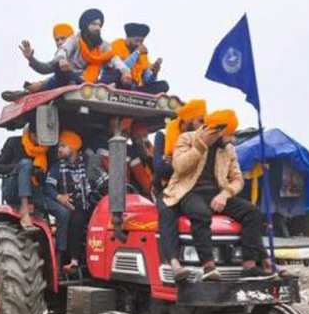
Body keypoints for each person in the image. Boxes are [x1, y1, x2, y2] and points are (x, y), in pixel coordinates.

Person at [162, 110, 265, 281]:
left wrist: (225, 194)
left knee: (252, 212)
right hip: (188, 191)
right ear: (218, 132)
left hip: (217, 193)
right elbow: (179, 167)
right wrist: (201, 145)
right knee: (201, 214)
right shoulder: (187, 138)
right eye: (230, 134)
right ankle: (208, 265)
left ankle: (249, 265)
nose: (232, 139)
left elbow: (238, 179)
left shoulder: (228, 148)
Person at [153, 99, 207, 281]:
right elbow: (160, 169)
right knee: (167, 212)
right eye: (199, 121)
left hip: (192, 189)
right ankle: (175, 263)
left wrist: (174, 163)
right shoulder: (163, 135)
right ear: (188, 120)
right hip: (169, 187)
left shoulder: (201, 138)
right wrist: (184, 164)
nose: (202, 125)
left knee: (201, 212)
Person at [45, 131, 107, 273]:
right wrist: (59, 197)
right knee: (76, 217)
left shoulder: (87, 165)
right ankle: (74, 261)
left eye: (63, 146)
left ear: (73, 147)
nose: (59, 149)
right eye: (59, 146)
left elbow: (104, 181)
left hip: (90, 204)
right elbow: (48, 187)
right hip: (72, 207)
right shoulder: (57, 167)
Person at [2, 23, 76, 101]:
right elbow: (45, 68)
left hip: (83, 84)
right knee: (58, 73)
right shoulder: (60, 57)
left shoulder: (82, 53)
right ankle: (27, 93)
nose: (59, 42)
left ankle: (33, 90)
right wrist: (31, 58)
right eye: (57, 40)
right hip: (63, 84)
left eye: (63, 38)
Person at [110, 23, 169, 94]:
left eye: (141, 41)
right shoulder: (116, 45)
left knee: (164, 85)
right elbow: (120, 69)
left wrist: (154, 74)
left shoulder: (142, 54)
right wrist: (136, 53)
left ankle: (136, 95)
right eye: (137, 41)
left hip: (135, 88)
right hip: (119, 84)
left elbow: (146, 80)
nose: (139, 44)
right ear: (127, 38)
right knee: (124, 79)